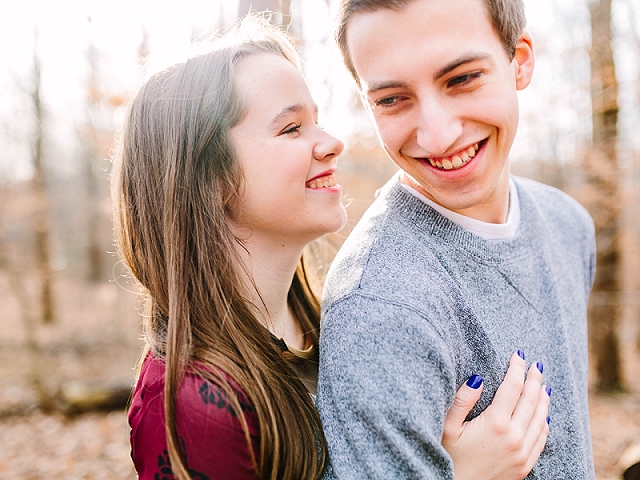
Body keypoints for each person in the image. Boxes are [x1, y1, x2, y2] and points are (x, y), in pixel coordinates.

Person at [112, 14, 551, 480]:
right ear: (207, 176)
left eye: (316, 121)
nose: (332, 143)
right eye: (291, 128)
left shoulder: (331, 326)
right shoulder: (194, 406)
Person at [316, 0, 596, 478]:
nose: (438, 135)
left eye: (462, 78)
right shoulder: (381, 307)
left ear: (521, 60)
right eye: (391, 99)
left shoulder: (568, 224)